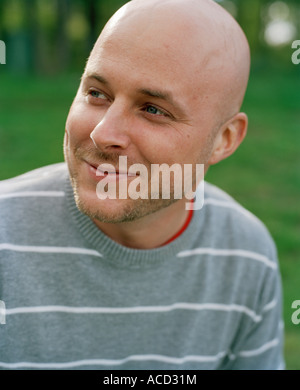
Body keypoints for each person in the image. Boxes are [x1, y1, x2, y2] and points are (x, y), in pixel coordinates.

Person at [0, 0, 284, 370]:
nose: (104, 134)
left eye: (153, 109)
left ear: (224, 139)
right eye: (97, 93)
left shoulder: (246, 254)